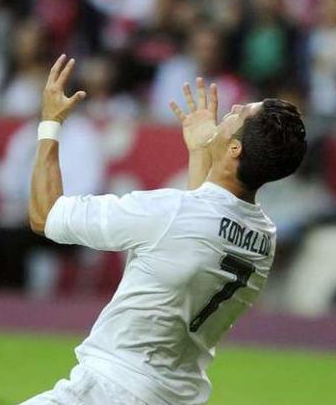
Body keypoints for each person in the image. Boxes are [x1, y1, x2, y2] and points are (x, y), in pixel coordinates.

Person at [24, 55, 306, 404]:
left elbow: (45, 214)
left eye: (240, 113)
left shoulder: (169, 213)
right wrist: (201, 151)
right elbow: (200, 229)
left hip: (109, 390)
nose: (231, 108)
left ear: (235, 148)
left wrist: (50, 122)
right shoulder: (264, 238)